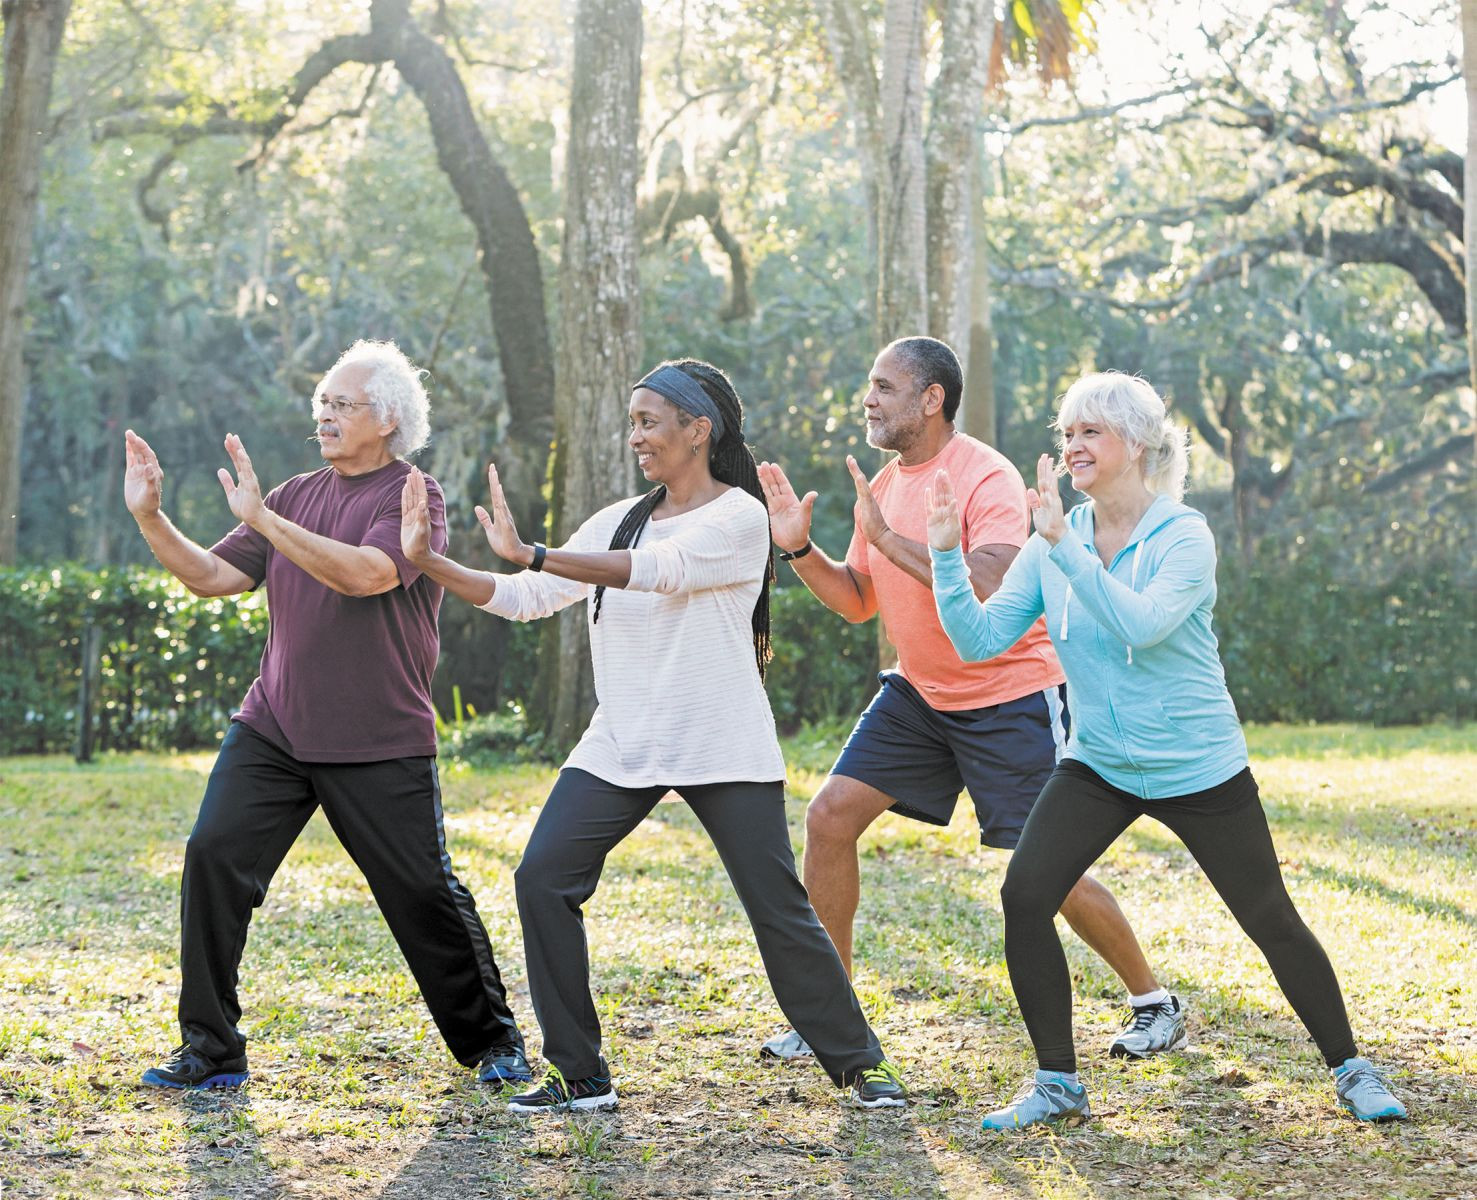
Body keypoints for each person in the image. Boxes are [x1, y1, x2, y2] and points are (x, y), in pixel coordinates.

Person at [399, 358, 907, 1114]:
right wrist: (432, 562)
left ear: (697, 429)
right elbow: (528, 596)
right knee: (542, 879)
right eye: (631, 422)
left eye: (648, 422)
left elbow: (657, 572)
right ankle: (580, 1074)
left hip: (720, 739)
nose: (635, 437)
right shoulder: (618, 517)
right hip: (623, 742)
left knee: (777, 908)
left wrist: (534, 549)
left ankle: (859, 1065)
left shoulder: (738, 517)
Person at [925, 370, 1408, 1129]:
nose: (1073, 446)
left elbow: (1141, 626)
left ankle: (1352, 1070)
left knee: (1268, 917)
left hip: (1197, 765)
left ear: (1139, 445)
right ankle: (1056, 1082)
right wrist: (944, 556)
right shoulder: (1055, 538)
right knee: (1024, 895)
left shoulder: (1182, 534)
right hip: (1100, 764)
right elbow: (979, 639)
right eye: (1068, 433)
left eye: (1092, 432)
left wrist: (1062, 545)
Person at [755, 336, 1181, 1063]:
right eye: (871, 385)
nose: (869, 400)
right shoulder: (885, 487)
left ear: (931, 398)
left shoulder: (981, 473)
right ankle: (831, 1014)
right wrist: (798, 550)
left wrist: (888, 541)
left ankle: (1152, 1001)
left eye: (884, 387)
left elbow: (987, 580)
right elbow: (858, 601)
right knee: (828, 818)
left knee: (1047, 867)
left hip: (1007, 693)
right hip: (920, 693)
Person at [126, 340, 529, 1090]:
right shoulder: (292, 494)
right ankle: (210, 1047)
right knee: (213, 855)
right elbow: (213, 577)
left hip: (377, 734)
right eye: (321, 403)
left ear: (387, 419)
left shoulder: (414, 495)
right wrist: (151, 518)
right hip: (275, 724)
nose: (324, 415)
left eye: (340, 404)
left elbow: (370, 576)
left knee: (421, 892)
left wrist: (266, 523)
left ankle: (492, 1044)